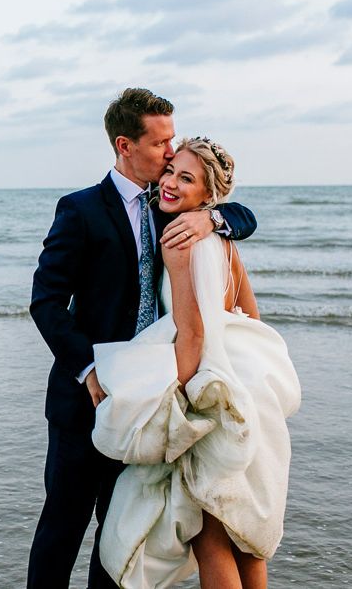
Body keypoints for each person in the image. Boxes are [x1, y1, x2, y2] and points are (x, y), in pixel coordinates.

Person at [27, 89, 258, 589]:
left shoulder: (170, 203)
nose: (171, 154)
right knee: (62, 529)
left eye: (173, 141)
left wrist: (211, 217)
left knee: (120, 535)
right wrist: (89, 372)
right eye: (160, 144)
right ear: (124, 145)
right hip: (84, 400)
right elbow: (45, 303)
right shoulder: (81, 209)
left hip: (149, 401)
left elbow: (243, 216)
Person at [92, 138, 302, 588]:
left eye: (185, 178)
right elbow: (251, 319)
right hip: (247, 393)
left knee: (210, 537)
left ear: (208, 195)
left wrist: (180, 410)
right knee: (245, 537)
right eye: (170, 171)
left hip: (209, 394)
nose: (168, 182)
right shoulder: (224, 244)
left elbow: (193, 334)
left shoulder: (180, 240)